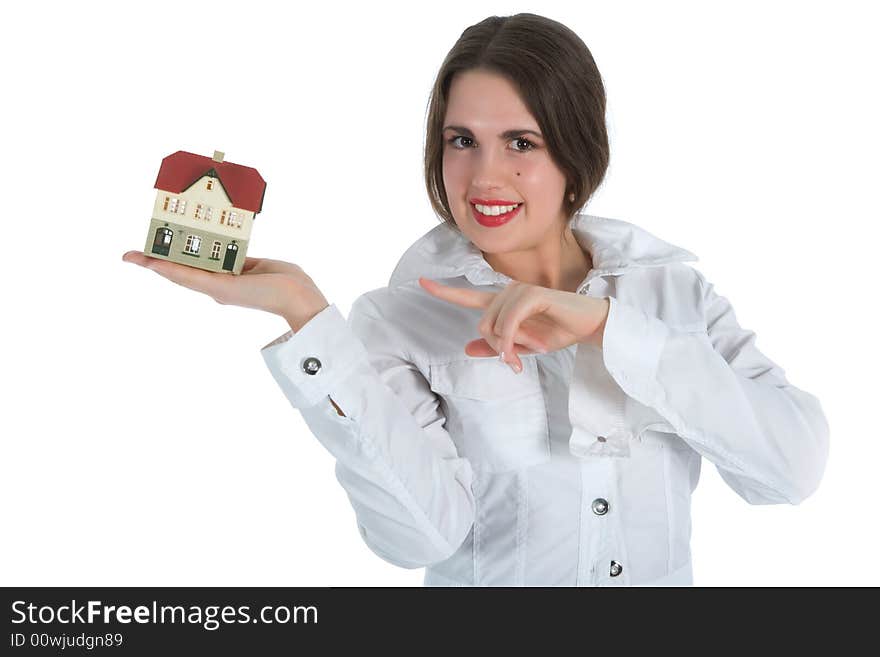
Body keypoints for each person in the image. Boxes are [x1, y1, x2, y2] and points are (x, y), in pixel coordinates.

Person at [123, 13, 830, 586]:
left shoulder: (673, 291)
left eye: (521, 141)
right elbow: (419, 537)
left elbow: (792, 469)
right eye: (462, 140)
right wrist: (308, 320)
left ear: (577, 157)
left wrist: (611, 331)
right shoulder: (396, 319)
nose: (484, 175)